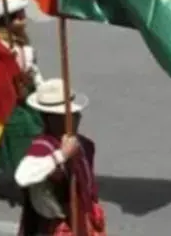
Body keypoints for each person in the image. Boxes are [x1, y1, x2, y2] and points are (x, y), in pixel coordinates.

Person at [13, 79, 105, 235]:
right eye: (73, 114)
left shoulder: (85, 145)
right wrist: (61, 155)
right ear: (53, 118)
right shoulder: (43, 146)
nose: (79, 117)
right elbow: (23, 176)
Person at [0, 0, 44, 194]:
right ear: (7, 21)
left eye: (23, 16)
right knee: (20, 132)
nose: (23, 21)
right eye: (18, 17)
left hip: (26, 94)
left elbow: (33, 69)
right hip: (6, 97)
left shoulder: (24, 44)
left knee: (37, 126)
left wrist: (41, 87)